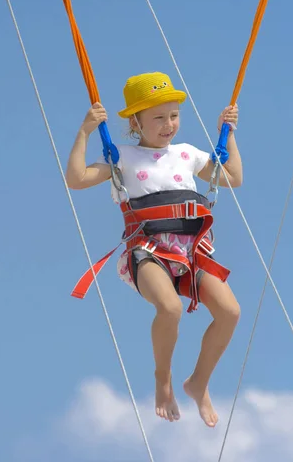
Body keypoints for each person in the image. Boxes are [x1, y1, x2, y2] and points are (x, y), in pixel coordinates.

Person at [66, 72, 243, 427]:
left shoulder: (187, 153)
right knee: (170, 308)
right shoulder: (124, 158)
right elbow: (77, 179)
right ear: (136, 121)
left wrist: (230, 136)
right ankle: (163, 378)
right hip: (147, 250)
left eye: (174, 115)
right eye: (158, 117)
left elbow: (233, 178)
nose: (168, 125)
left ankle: (198, 383)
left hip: (190, 251)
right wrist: (85, 132)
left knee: (230, 312)